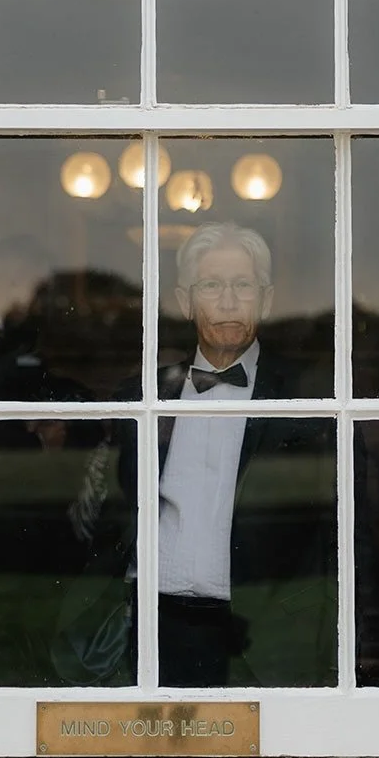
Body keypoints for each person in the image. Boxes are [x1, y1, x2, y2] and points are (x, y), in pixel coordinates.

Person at [114, 222, 338, 688]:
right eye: (212, 285)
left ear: (268, 299)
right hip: (154, 618)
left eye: (243, 285)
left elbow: (339, 524)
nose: (230, 300)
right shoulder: (145, 394)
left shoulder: (308, 400)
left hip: (265, 622)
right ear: (184, 300)